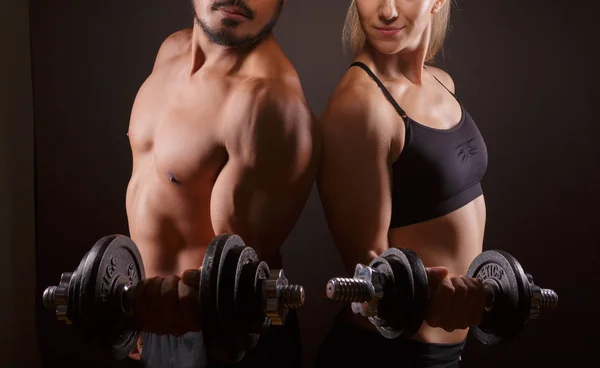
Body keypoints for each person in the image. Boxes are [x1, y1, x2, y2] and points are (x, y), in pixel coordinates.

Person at [124, 0, 319, 367]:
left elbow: (228, 289)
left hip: (216, 345)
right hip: (153, 327)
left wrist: (146, 317)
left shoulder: (268, 104)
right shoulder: (172, 51)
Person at [315, 0, 489, 366]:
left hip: (448, 355)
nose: (387, 11)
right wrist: (434, 290)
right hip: (388, 356)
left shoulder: (441, 82)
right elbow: (367, 270)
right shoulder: (360, 106)